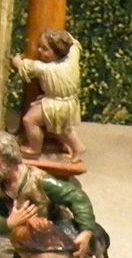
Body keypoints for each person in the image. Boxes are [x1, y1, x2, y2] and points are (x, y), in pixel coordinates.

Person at [0, 130, 107, 258]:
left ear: (8, 158)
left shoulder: (39, 180)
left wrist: (86, 231)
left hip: (56, 233)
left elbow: (77, 197)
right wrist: (9, 223)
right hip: (29, 241)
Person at [15, 31, 85, 162]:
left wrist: (17, 59)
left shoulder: (45, 69)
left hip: (55, 104)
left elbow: (23, 66)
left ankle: (34, 149)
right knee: (62, 128)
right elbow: (75, 44)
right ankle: (77, 147)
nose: (39, 50)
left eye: (45, 49)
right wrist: (60, 35)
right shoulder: (72, 57)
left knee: (29, 120)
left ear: (57, 52)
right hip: (69, 102)